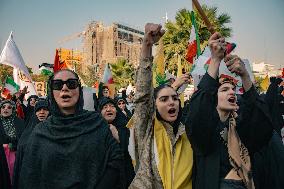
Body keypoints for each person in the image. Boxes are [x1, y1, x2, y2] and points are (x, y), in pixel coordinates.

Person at [185, 33, 274, 189]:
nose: (232, 92)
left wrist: (245, 75)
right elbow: (197, 114)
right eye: (225, 89)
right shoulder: (206, 127)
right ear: (214, 99)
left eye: (233, 89)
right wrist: (215, 60)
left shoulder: (242, 125)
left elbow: (263, 124)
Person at [18, 69, 123, 189]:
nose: (64, 88)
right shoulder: (40, 133)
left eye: (71, 84)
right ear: (51, 91)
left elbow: (115, 162)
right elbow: (30, 177)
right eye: (57, 84)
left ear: (79, 90)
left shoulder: (97, 123)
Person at [129, 23, 193, 189]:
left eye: (174, 98)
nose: (171, 102)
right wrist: (148, 45)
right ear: (154, 106)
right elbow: (143, 96)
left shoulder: (189, 132)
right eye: (164, 99)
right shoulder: (147, 130)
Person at [13, 99, 50, 189]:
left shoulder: (56, 132)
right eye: (38, 109)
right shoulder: (28, 132)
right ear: (35, 113)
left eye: (45, 109)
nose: (42, 112)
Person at [98, 97, 135, 188]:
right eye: (105, 107)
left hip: (127, 177)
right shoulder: (95, 131)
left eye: (112, 106)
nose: (109, 109)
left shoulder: (127, 129)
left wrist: (119, 138)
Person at [0, 100, 24, 185]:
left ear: (13, 110)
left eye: (9, 107)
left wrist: (13, 146)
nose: (5, 109)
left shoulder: (20, 122)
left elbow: (23, 140)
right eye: (3, 107)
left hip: (15, 156)